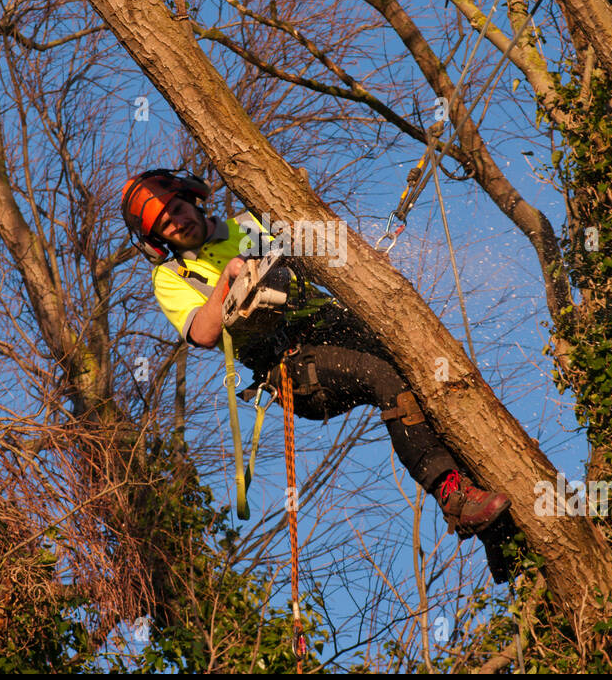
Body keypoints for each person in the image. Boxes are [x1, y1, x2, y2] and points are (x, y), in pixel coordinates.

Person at [121, 169, 513, 543]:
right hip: (290, 365)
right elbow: (203, 333)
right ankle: (453, 497)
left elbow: (319, 245)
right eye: (164, 224)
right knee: (383, 375)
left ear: (192, 199)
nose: (176, 222)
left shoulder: (247, 225)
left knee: (422, 361)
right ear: (158, 238)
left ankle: (487, 502)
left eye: (175, 209)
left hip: (332, 323)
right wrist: (228, 280)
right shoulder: (172, 275)